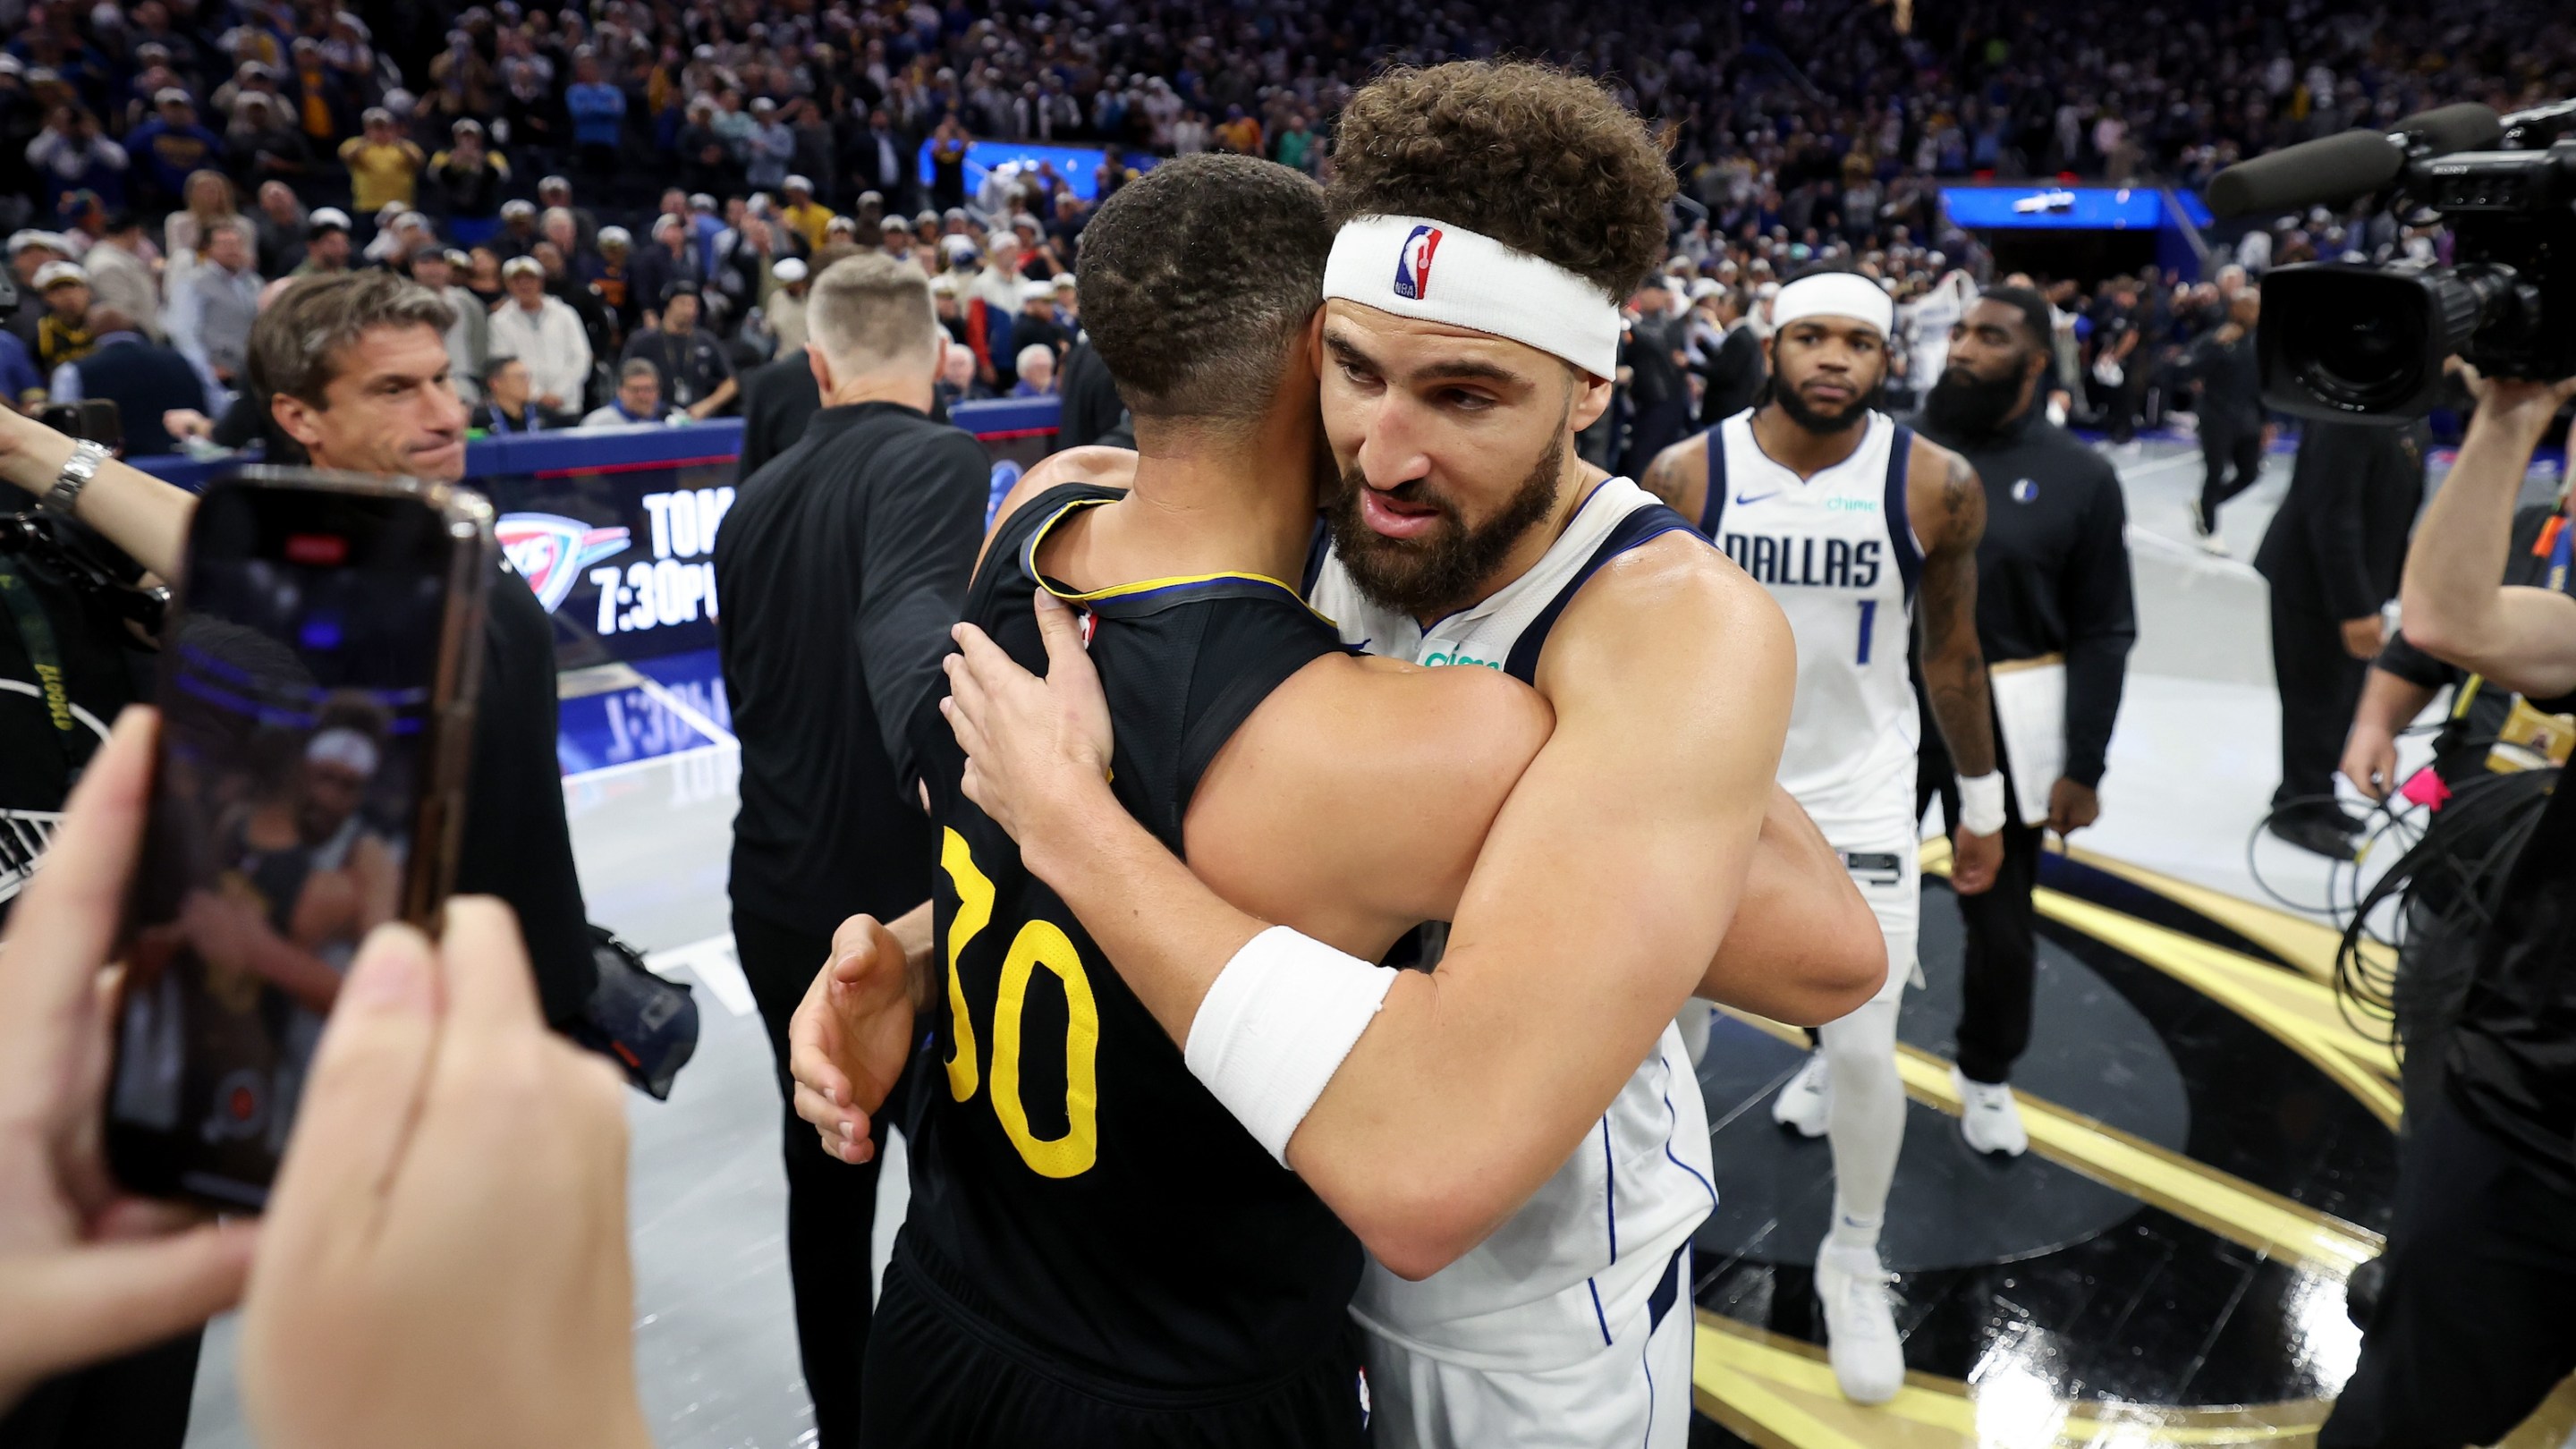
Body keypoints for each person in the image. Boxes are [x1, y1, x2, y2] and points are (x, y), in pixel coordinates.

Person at [835, 77, 1873, 1446]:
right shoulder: (1312, 509)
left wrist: (1072, 826)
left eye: (1463, 394)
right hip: (1268, 1264)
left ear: (1588, 387)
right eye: (1359, 371)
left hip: (1521, 1316)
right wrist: (918, 952)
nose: (1384, 452)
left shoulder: (1659, 619)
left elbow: (1826, 959)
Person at [0, 712, 651, 1449]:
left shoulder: (356, 867)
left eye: (346, 783)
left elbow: (356, 979)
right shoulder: (246, 835)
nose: (331, 794)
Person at [1640, 263, 2005, 1406]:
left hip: (1858, 796)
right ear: (1772, 343)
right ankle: (1651, 1235)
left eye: (1859, 341)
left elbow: (1950, 650)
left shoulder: (1936, 481)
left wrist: (1984, 802)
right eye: (1813, 338)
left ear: (1888, 359)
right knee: (1665, 1044)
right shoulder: (1688, 472)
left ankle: (1855, 1253)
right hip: (1708, 792)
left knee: (1859, 1044)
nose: (1834, 359)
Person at [712, 252, 991, 1448]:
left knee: (821, 1186)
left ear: (816, 366)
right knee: (969, 1195)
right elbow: (905, 627)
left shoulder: (750, 501)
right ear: (940, 356)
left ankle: (844, 1428)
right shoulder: (938, 457)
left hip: (772, 891)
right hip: (900, 913)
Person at [2318, 369, 2576, 1449]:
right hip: (2532, 1079)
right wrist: (2514, 408)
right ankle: (2416, 1238)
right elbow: (2442, 624)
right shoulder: (2537, 532)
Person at [1906, 288, 2137, 1152]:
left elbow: (2105, 627)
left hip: (2005, 725)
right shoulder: (1895, 453)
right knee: (1855, 896)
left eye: (1988, 337)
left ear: (2036, 362)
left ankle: (1988, 1073)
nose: (1961, 348)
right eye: (1958, 332)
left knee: (1999, 919)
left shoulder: (2082, 477)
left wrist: (2086, 763)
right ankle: (1836, 1049)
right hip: (1888, 710)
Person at [2253, 418, 2425, 860]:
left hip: (2358, 581)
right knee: (2314, 698)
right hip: (2314, 582)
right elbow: (2333, 514)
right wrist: (2355, 607)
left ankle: (2317, 793)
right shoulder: (2347, 412)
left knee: (2339, 697)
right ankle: (2297, 809)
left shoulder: (2402, 407)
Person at [47, 304, 206, 456]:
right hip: (188, 463)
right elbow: (218, 408)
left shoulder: (73, 371)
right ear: (133, 326)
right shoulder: (184, 360)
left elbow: (63, 430)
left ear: (90, 331)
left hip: (117, 471)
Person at [2180, 286, 2265, 555]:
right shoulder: (2217, 338)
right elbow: (2188, 368)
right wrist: (2217, 348)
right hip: (2216, 415)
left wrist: (2266, 420)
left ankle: (2206, 504)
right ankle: (2210, 530)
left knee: (2249, 473)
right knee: (2215, 472)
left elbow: (2261, 384)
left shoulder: (2260, 341)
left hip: (2247, 417)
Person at [486, 254, 591, 417]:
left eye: (530, 278)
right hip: (524, 408)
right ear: (507, 284)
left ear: (541, 281)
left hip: (567, 405)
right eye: (517, 280)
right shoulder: (499, 322)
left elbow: (580, 357)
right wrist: (537, 395)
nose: (524, 285)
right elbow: (504, 365)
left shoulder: (565, 313)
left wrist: (559, 392)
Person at [165, 217, 260, 394]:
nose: (233, 250)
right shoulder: (193, 282)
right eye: (225, 244)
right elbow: (183, 330)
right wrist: (205, 371)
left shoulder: (252, 282)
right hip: (216, 376)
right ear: (208, 249)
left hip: (249, 372)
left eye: (236, 243)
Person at [618, 281, 734, 419]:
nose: (689, 310)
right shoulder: (643, 341)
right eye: (682, 303)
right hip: (653, 418)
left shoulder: (707, 341)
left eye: (693, 304)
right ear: (667, 306)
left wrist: (707, 405)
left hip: (697, 418)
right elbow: (623, 379)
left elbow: (731, 382)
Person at [408, 247, 485, 405]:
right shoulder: (404, 303)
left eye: (438, 263)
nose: (433, 269)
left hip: (462, 380)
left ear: (447, 268)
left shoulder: (466, 301)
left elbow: (480, 340)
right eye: (425, 263)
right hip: (421, 381)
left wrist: (480, 378)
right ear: (413, 267)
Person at [79, 213, 157, 342]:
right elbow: (121, 313)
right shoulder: (107, 264)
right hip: (135, 341)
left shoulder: (118, 258)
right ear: (134, 232)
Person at [336, 107, 422, 218]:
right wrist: (366, 141)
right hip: (368, 205)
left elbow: (419, 161)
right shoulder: (355, 144)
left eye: (383, 127)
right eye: (375, 127)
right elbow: (346, 157)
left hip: (400, 206)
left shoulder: (404, 146)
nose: (380, 131)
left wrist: (397, 141)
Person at [469, 354, 561, 433]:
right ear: (495, 383)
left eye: (528, 377)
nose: (527, 383)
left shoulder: (544, 414)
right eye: (521, 377)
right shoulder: (478, 420)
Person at [580, 357, 664, 427]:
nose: (642, 396)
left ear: (658, 391)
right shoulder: (598, 423)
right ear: (620, 391)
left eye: (648, 389)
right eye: (635, 390)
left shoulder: (671, 419)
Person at [292, 208, 350, 277]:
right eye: (332, 243)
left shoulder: (348, 275)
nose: (341, 250)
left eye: (344, 243)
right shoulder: (301, 279)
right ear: (313, 246)